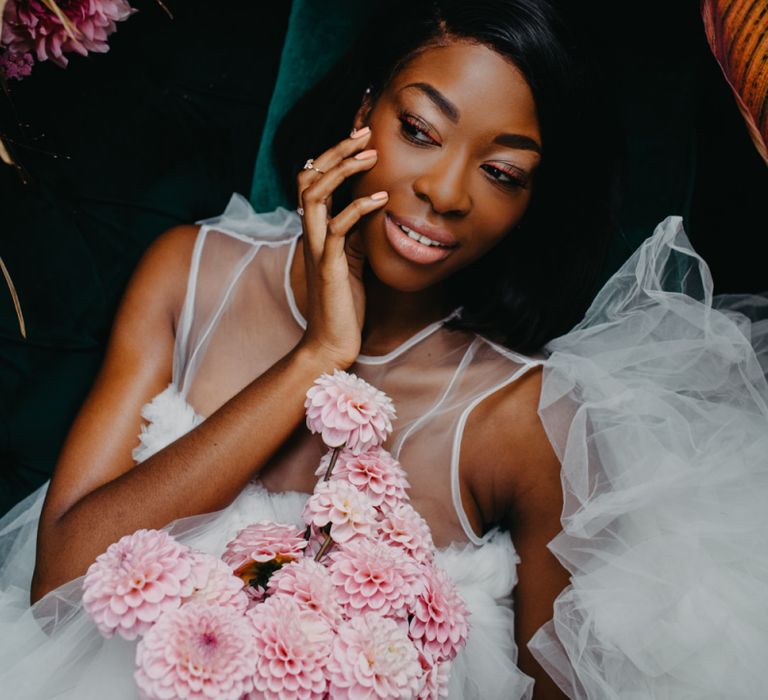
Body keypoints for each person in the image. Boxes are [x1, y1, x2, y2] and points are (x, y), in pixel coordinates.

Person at [1, 1, 767, 698]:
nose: (445, 191)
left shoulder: (521, 418)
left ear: (532, 202)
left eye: (502, 172)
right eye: (421, 132)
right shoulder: (190, 273)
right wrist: (316, 356)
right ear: (365, 111)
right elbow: (61, 580)